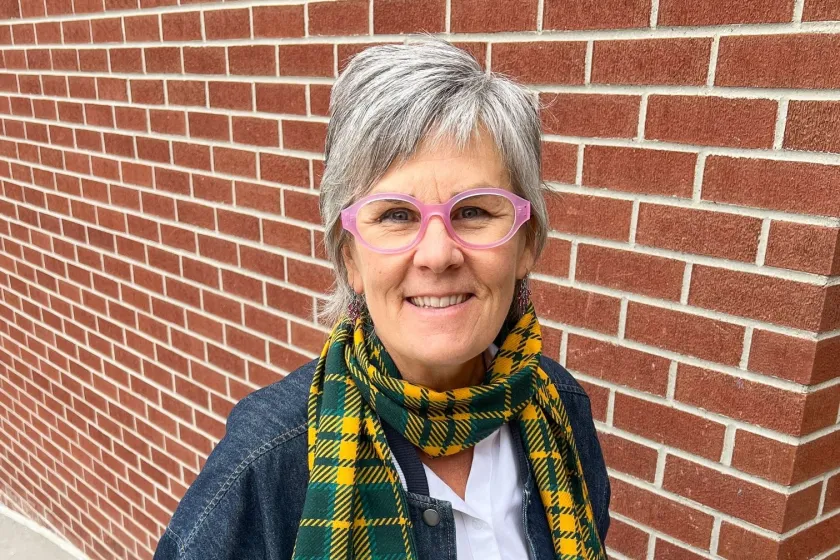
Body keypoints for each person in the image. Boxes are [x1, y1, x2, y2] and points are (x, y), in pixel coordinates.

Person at [153, 38, 610, 560]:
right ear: (350, 258)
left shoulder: (560, 410)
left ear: (526, 242)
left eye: (475, 212)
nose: (437, 255)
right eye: (395, 215)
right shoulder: (270, 463)